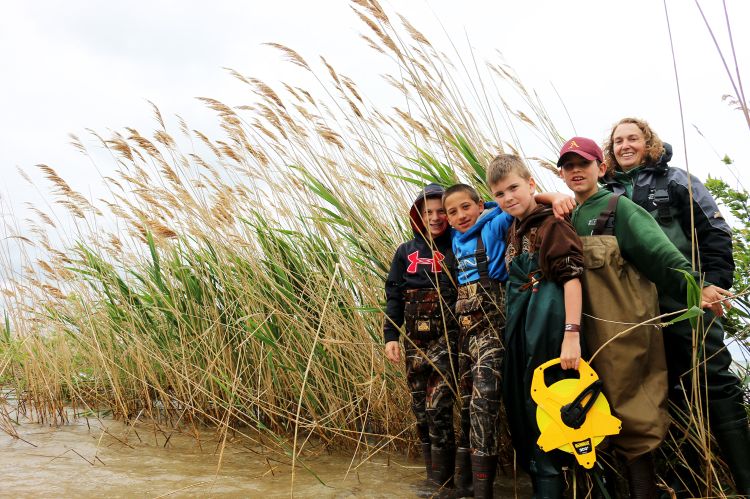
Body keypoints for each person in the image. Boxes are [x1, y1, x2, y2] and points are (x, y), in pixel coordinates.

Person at [550, 118, 749, 497]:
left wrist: (711, 285)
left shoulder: (674, 181)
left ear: (648, 142)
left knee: (714, 383)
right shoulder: (595, 197)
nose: (625, 145)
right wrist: (549, 198)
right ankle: (684, 480)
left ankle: (738, 479)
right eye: (618, 140)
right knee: (660, 392)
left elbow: (711, 231)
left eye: (633, 138)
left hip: (682, 301)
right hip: (630, 317)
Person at [487, 154, 584, 498]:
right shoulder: (513, 227)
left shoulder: (552, 225)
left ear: (530, 184)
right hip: (521, 336)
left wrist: (571, 336)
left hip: (549, 335)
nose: (508, 197)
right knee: (525, 418)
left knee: (546, 416)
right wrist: (547, 195)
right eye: (500, 194)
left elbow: (572, 279)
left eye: (514, 188)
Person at [383, 183, 459, 488]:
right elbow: (394, 295)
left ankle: (446, 478)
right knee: (420, 408)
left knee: (438, 405)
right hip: (415, 341)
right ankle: (433, 477)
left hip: (448, 340)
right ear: (418, 215)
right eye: (429, 212)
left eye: (442, 211)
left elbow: (488, 211)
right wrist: (391, 336)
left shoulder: (459, 245)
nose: (436, 217)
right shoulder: (405, 251)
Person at [442, 183, 513, 498]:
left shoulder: (493, 226)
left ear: (479, 205)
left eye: (465, 208)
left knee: (485, 404)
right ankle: (464, 486)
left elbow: (516, 205)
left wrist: (554, 197)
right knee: (468, 405)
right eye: (452, 212)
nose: (460, 216)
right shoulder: (456, 239)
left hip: (493, 329)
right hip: (467, 335)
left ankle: (484, 490)